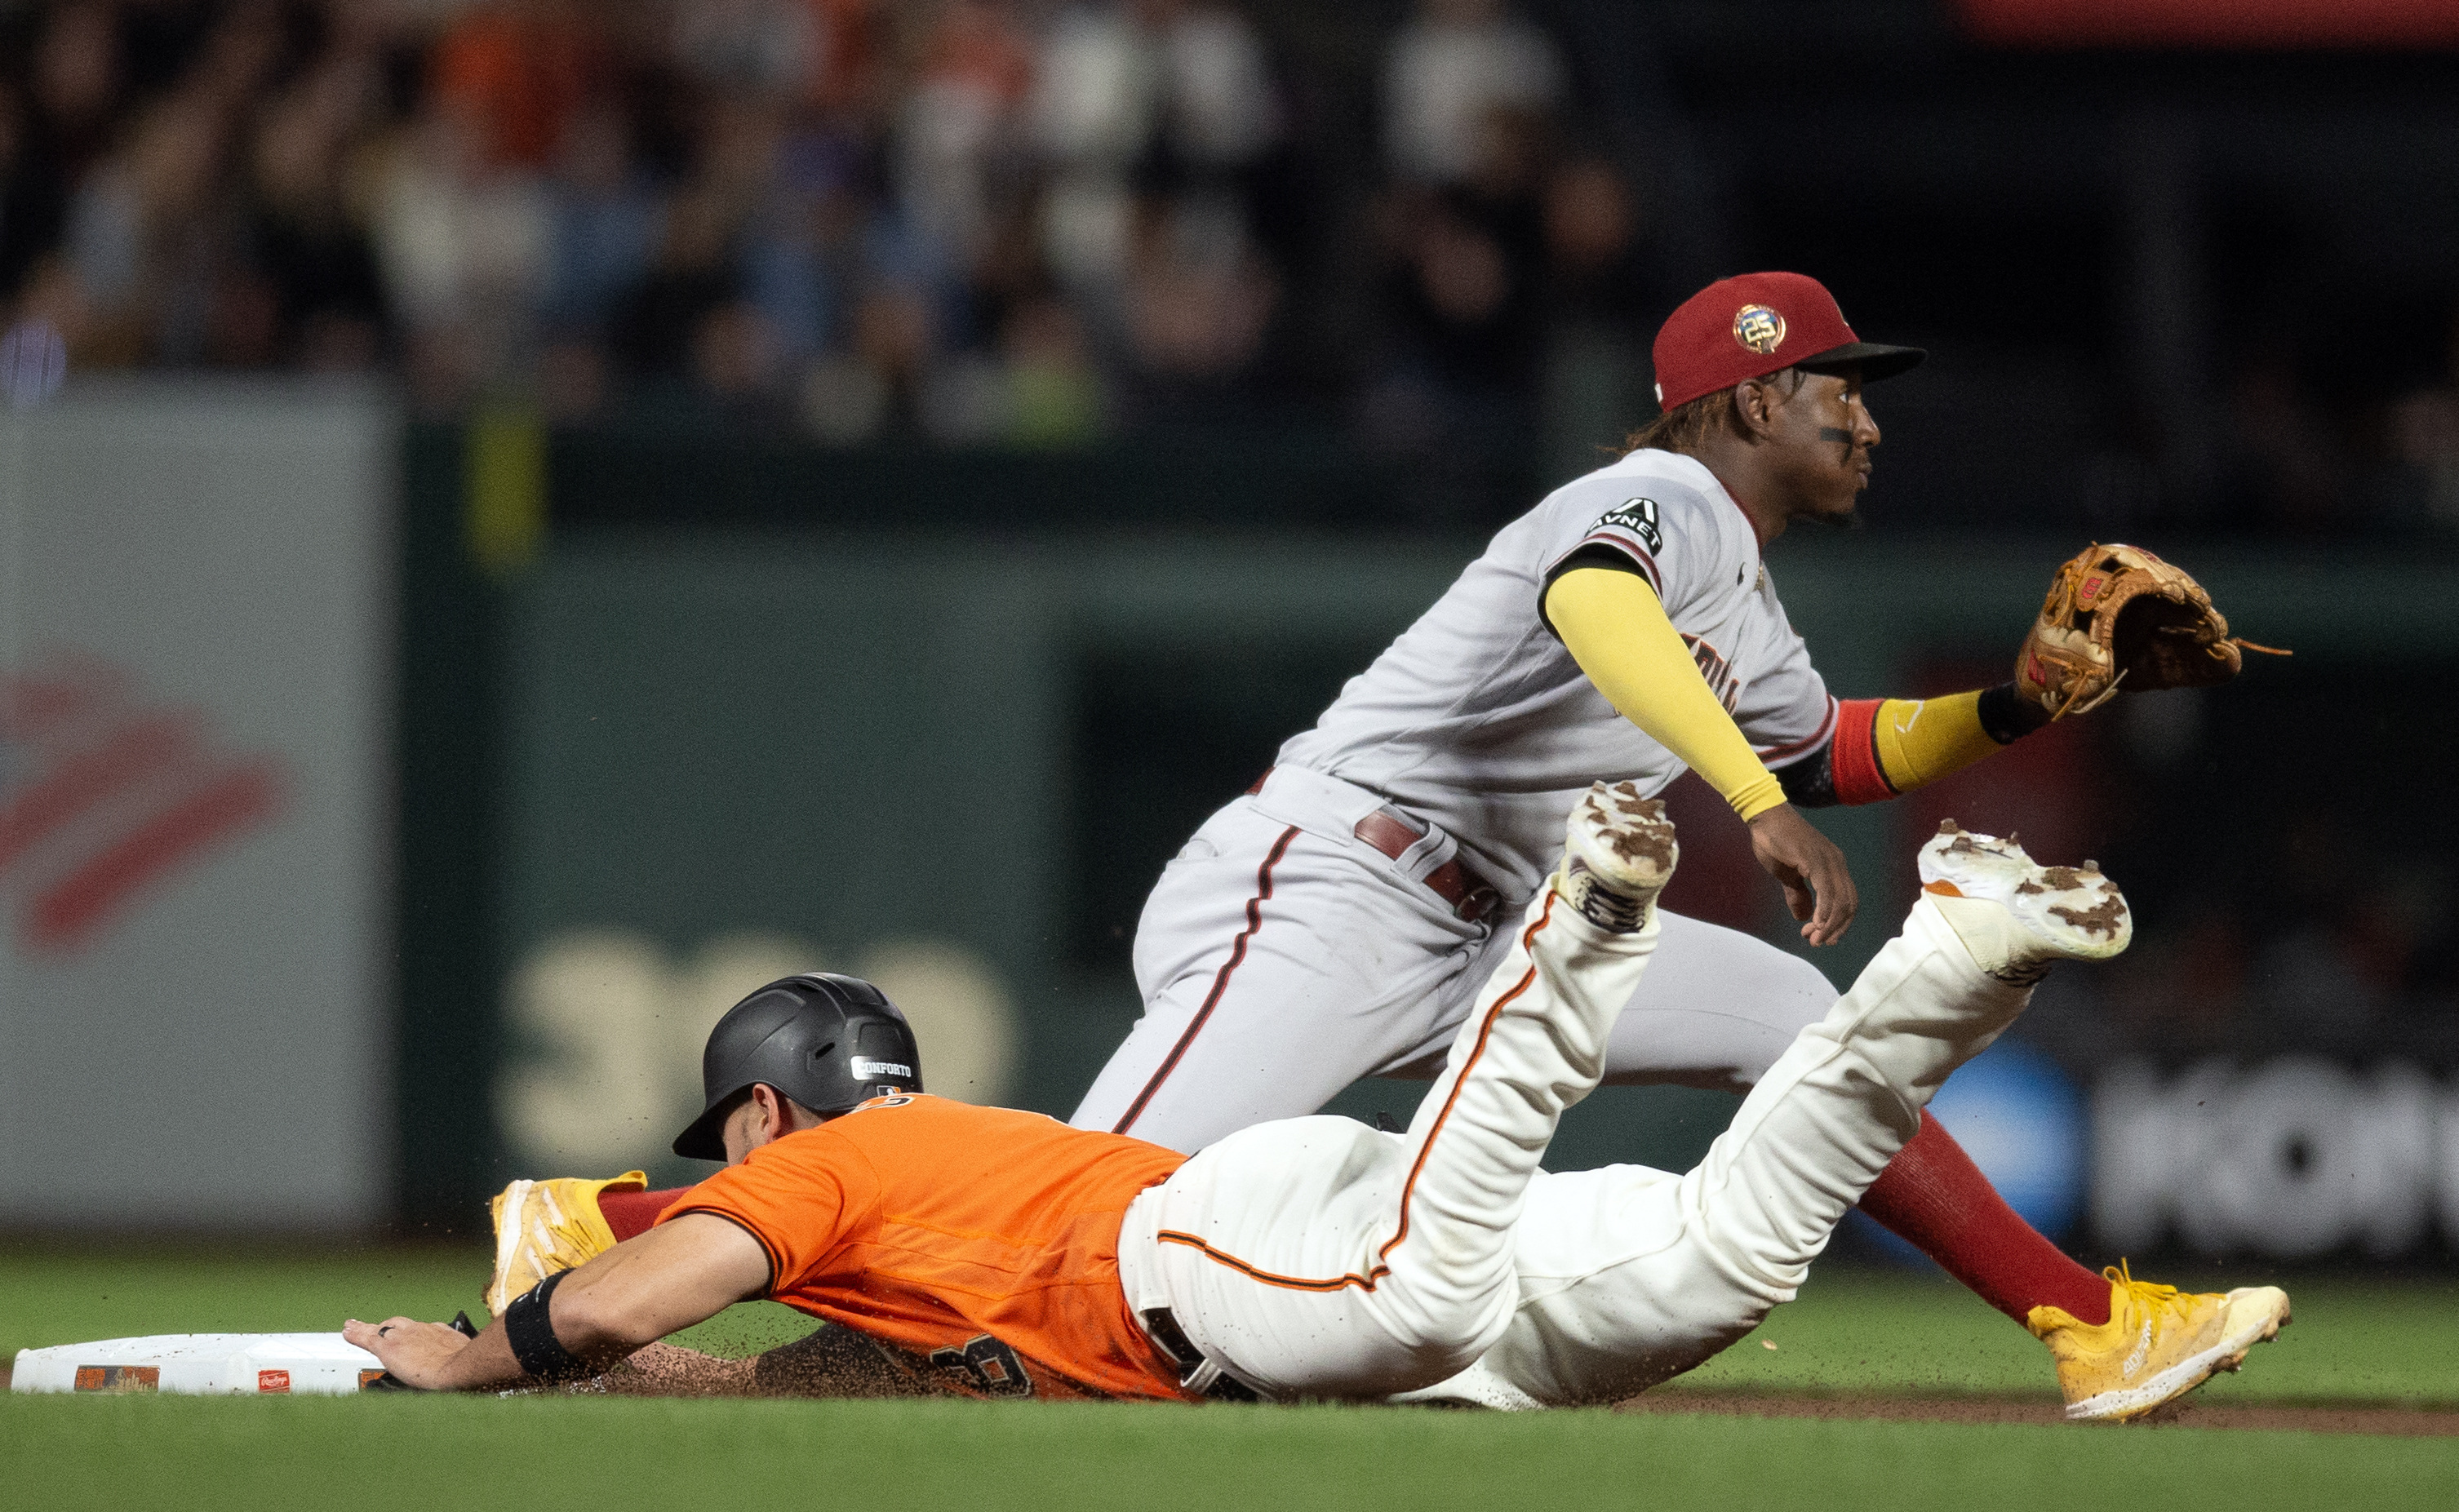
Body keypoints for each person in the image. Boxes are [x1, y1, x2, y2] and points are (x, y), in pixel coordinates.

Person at [1063, 269, 2290, 1417]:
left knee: (1793, 1019)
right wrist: (1754, 804)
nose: (1867, 427)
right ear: (1756, 394)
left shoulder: (1741, 595)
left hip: (1479, 927)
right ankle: (880, 1335)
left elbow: (1835, 751)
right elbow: (1596, 599)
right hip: (1334, 886)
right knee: (1073, 1215)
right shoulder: (1652, 498)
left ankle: (2089, 1324)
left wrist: (2016, 702)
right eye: (1839, 393)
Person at [353, 796, 2282, 1418]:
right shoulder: (933, 1185)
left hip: (1225, 1255)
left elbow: (622, 1304)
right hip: (1267, 1257)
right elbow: (834, 1377)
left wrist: (485, 1358)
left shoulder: (831, 1174)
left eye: (729, 1144)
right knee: (1719, 1259)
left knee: (1427, 1287)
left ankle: (1582, 925)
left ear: (765, 1121)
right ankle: (1949, 962)